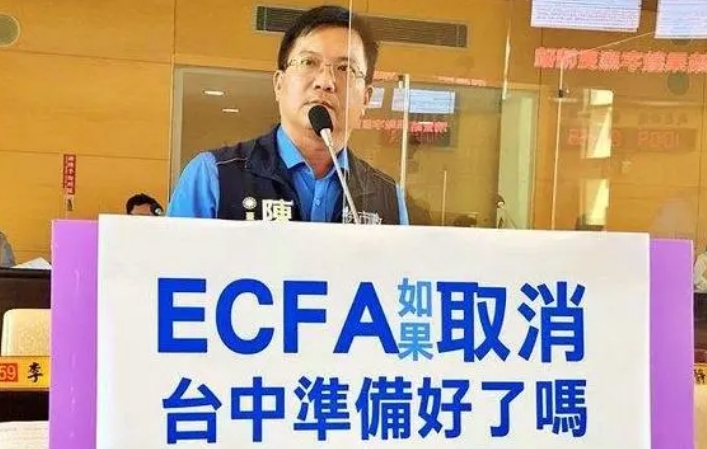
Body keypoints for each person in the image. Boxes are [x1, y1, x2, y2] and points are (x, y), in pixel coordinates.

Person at [168, 5, 408, 225]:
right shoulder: (213, 176)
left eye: (346, 68)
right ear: (279, 84)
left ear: (365, 98)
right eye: (308, 62)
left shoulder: (388, 196)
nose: (326, 81)